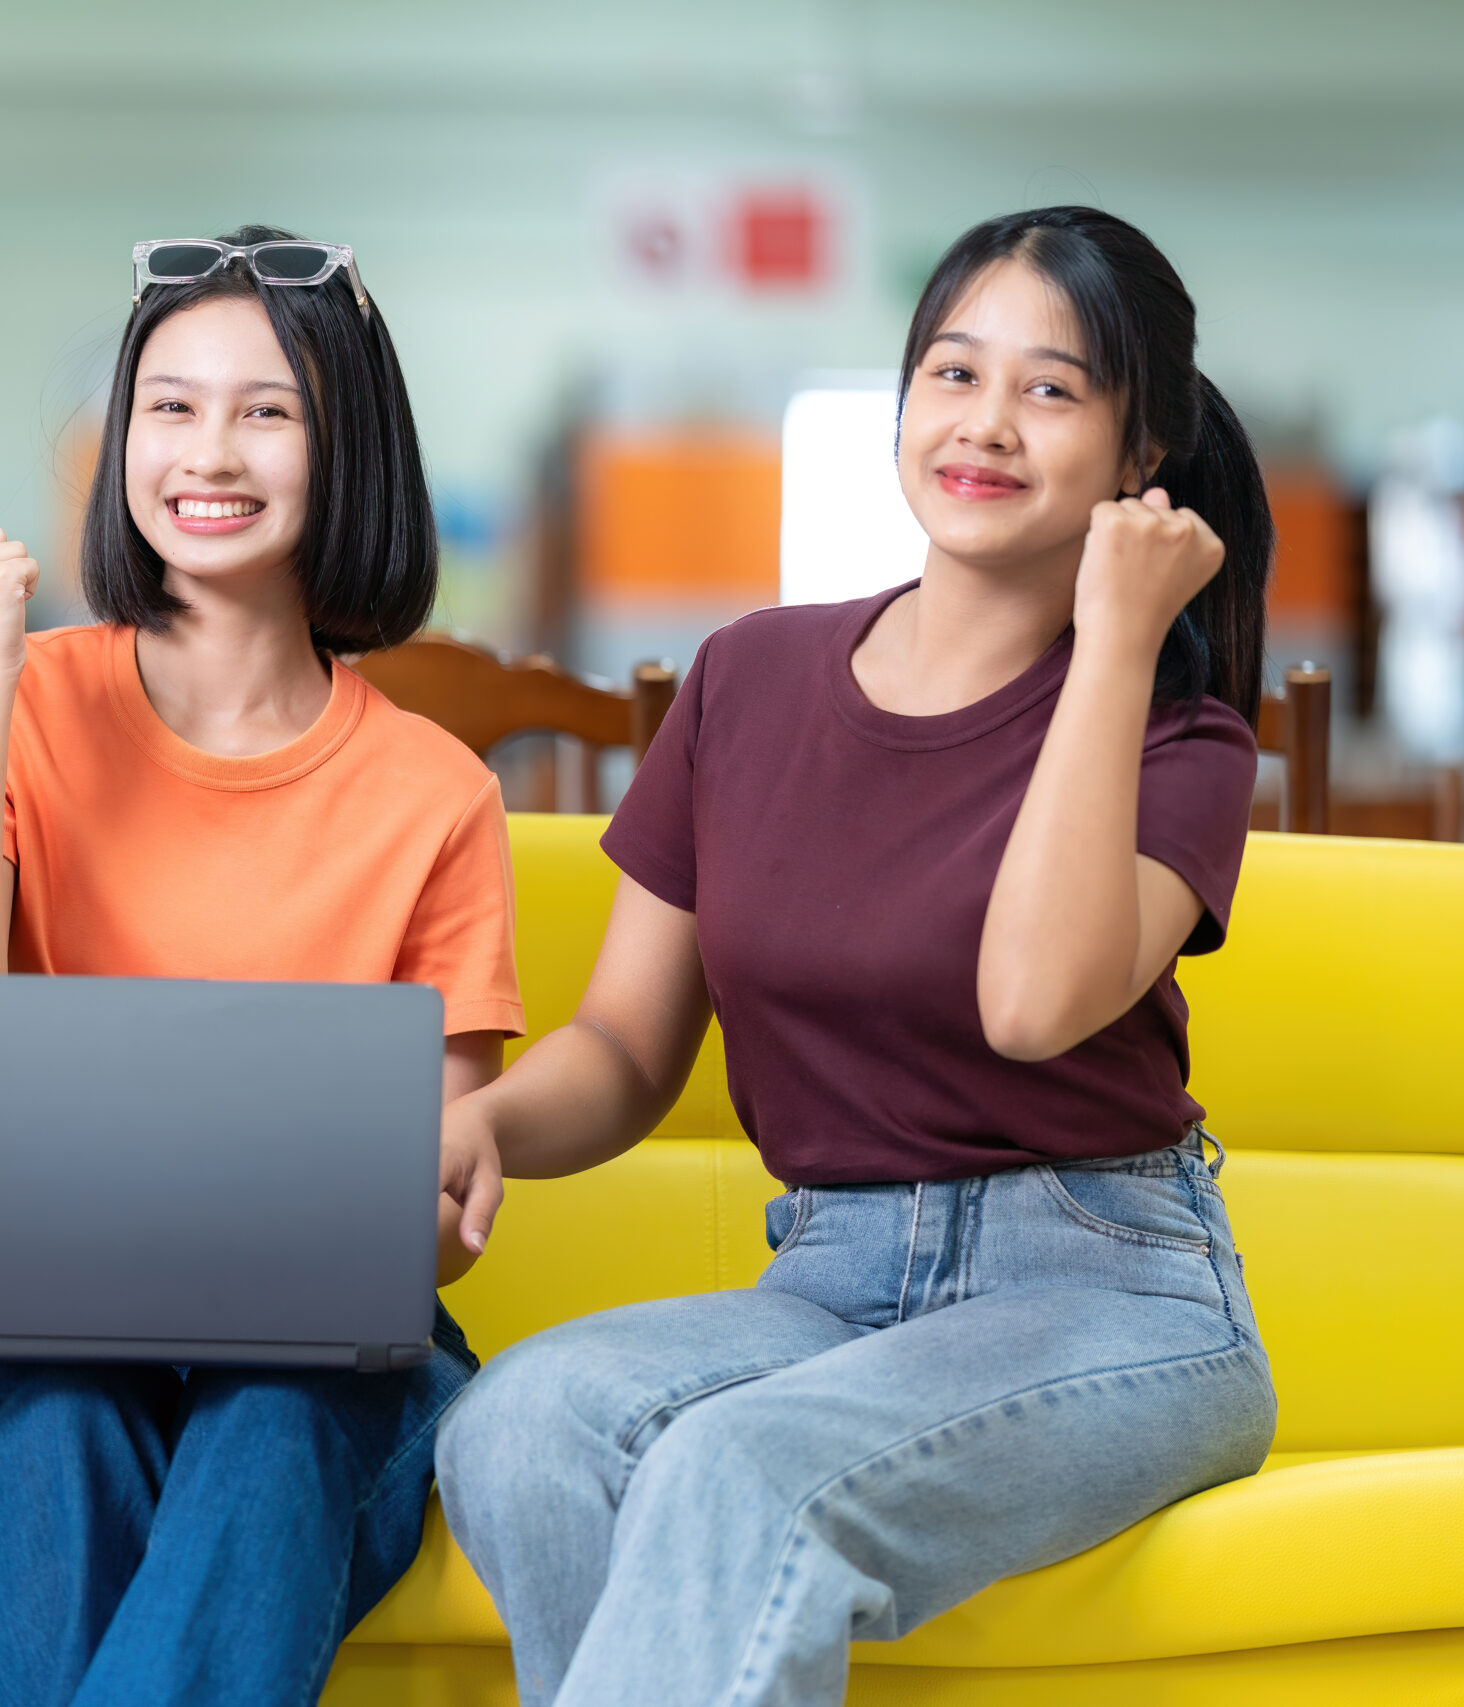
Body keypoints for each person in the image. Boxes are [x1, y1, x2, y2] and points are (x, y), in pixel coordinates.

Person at [432, 206, 1277, 1707]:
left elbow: (1029, 1005)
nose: (987, 424)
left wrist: (1123, 637)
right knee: (522, 1419)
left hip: (1107, 1296)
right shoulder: (747, 678)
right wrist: (479, 1125)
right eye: (953, 373)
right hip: (829, 1278)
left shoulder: (1179, 741)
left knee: (739, 1473)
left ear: (1141, 455)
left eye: (1053, 390)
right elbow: (627, 1049)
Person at [0, 226, 522, 1707]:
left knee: (274, 1419)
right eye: (171, 405)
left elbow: (447, 1198)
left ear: (349, 452)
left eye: (267, 410)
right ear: (119, 445)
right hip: (44, 1349)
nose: (209, 450)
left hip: (335, 1383)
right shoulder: (1, 699)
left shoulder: (436, 793)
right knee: (53, 1422)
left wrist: (434, 1206)